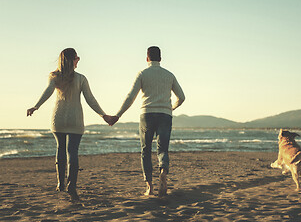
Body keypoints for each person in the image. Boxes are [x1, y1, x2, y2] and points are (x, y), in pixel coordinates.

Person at [27, 48, 113, 201]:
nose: (78, 60)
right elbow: (90, 99)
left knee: (60, 149)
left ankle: (60, 183)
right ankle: (71, 186)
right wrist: (103, 115)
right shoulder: (81, 78)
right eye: (77, 58)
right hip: (75, 119)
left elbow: (48, 91)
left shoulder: (54, 77)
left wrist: (36, 106)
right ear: (72, 60)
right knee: (72, 152)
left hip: (58, 118)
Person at [109, 46, 185, 196]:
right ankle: (163, 170)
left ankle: (149, 187)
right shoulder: (169, 75)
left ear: (147, 58)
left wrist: (118, 115)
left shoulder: (142, 74)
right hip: (165, 115)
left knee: (146, 150)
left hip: (147, 114)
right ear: (161, 59)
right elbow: (181, 97)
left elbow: (131, 97)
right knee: (162, 149)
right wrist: (171, 108)